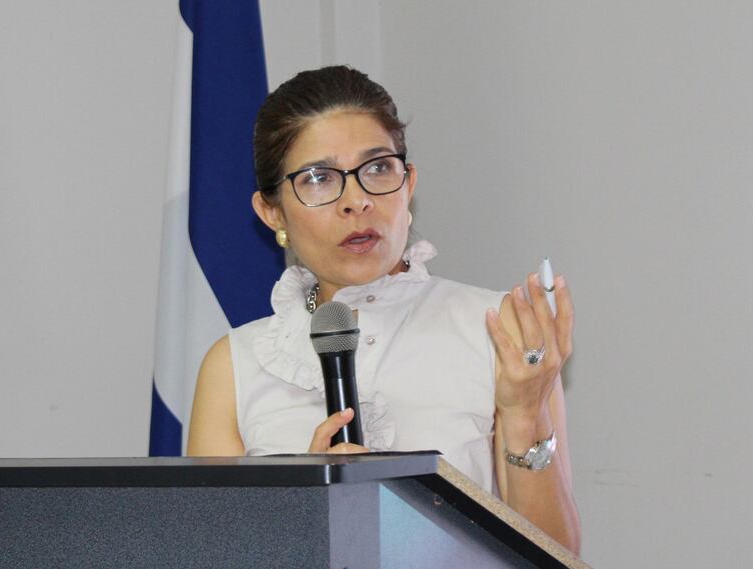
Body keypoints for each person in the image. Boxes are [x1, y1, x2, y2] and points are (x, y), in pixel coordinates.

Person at [187, 66, 581, 553]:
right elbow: (207, 556)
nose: (356, 201)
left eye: (377, 169)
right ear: (272, 213)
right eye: (318, 178)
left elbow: (557, 557)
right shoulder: (235, 364)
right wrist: (300, 512)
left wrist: (526, 415)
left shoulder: (500, 330)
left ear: (408, 182)